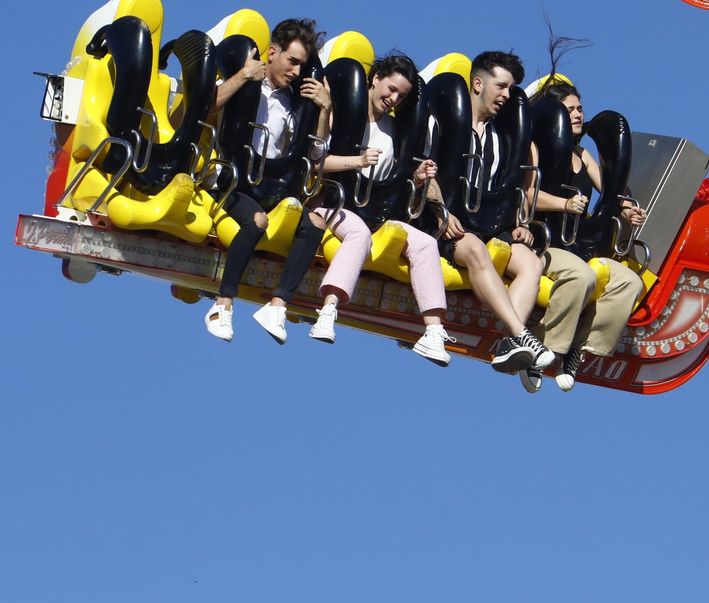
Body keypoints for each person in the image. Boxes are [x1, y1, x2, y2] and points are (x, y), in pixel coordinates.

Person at [271, 52, 453, 365]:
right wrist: (354, 157)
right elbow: (315, 163)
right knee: (357, 233)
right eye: (391, 89)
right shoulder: (344, 113)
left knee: (425, 244)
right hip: (332, 202)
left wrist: (418, 179)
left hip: (374, 212)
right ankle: (328, 310)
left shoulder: (394, 130)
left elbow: (392, 183)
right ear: (376, 78)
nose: (393, 99)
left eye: (402, 96)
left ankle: (433, 332)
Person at [203, 17, 332, 342]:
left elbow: (315, 154)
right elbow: (202, 111)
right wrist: (243, 75)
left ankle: (277, 305)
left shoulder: (293, 103)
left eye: (302, 65)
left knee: (315, 224)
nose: (297, 71)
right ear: (272, 53)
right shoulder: (247, 87)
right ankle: (222, 304)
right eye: (292, 61)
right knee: (257, 221)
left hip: (271, 185)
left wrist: (324, 111)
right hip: (231, 182)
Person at [428, 51, 552, 374]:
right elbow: (423, 173)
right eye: (501, 86)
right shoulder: (442, 120)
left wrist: (519, 224)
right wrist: (441, 211)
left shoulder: (499, 137)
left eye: (510, 89)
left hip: (485, 223)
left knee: (531, 261)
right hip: (446, 223)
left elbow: (507, 190)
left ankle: (510, 345)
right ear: (478, 83)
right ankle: (523, 335)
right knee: (476, 250)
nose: (506, 95)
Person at [526, 81, 649, 393]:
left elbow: (611, 194)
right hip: (545, 241)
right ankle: (544, 348)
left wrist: (628, 212)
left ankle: (579, 350)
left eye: (580, 109)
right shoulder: (535, 147)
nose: (579, 115)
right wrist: (563, 204)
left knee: (631, 283)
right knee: (581, 276)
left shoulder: (582, 154)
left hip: (579, 243)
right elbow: (526, 195)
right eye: (570, 110)